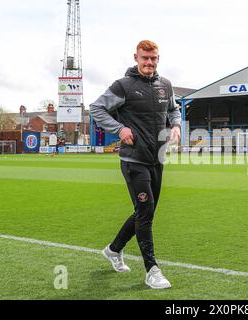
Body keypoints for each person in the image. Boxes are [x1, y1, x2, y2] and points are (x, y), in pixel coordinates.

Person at [90, 40, 181, 289]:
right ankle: (152, 270)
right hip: (133, 160)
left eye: (153, 58)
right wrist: (119, 129)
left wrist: (175, 125)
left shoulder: (166, 85)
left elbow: (174, 110)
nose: (149, 63)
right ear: (136, 58)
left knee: (146, 212)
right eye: (145, 58)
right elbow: (96, 108)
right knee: (146, 213)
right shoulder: (123, 86)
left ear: (158, 59)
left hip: (157, 158)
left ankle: (113, 250)